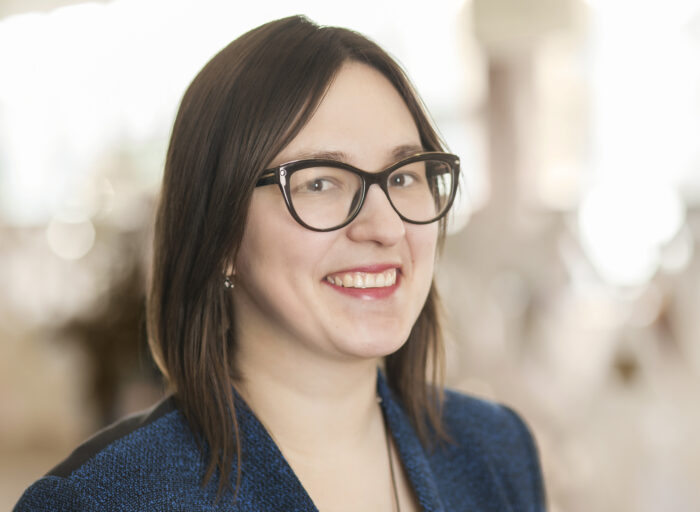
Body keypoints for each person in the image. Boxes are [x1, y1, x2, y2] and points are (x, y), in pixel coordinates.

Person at [14, 15, 545, 511]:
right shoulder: (102, 500)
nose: (386, 227)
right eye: (320, 183)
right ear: (220, 234)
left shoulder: (496, 449)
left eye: (404, 176)